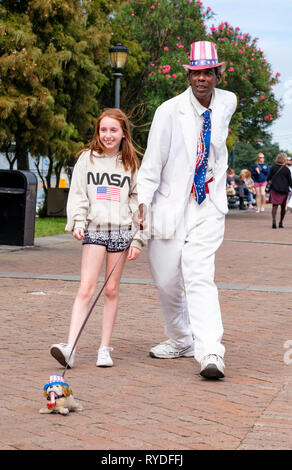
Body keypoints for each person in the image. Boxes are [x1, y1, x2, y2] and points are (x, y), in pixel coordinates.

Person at [137, 40, 237, 379]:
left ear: (217, 74)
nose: (202, 79)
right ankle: (181, 339)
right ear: (189, 74)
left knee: (198, 274)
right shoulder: (168, 111)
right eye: (196, 73)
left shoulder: (227, 103)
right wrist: (142, 202)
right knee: (166, 281)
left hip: (208, 203)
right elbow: (152, 164)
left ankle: (210, 352)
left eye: (208, 72)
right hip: (168, 205)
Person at [50, 108, 143, 368]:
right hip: (95, 230)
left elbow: (140, 202)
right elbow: (78, 193)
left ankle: (105, 348)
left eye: (113, 130)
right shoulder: (87, 159)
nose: (108, 135)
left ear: (123, 133)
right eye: (103, 130)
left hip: (121, 231)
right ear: (97, 132)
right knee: (86, 289)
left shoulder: (131, 164)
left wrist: (138, 239)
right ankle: (70, 347)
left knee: (111, 290)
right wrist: (78, 222)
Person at [268, 153, 292, 229]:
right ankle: (281, 222)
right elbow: (290, 181)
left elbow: (268, 178)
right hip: (284, 190)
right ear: (284, 160)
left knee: (274, 206)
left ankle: (274, 219)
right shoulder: (286, 169)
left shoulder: (273, 168)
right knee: (283, 206)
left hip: (274, 189)